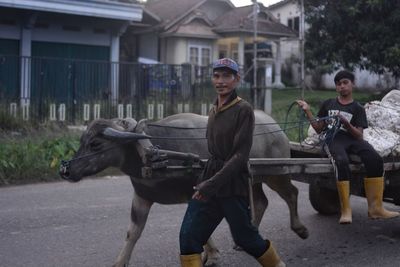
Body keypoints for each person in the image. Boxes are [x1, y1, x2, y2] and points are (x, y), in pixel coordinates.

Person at [179, 58, 285, 267]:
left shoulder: (243, 110)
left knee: (245, 238)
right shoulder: (214, 108)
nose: (220, 81)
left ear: (237, 79)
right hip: (211, 176)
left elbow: (239, 157)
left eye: (226, 76)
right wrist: (207, 180)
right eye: (216, 76)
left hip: (233, 184)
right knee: (188, 235)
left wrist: (210, 184)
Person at [296, 70, 399, 224]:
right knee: (341, 160)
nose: (342, 86)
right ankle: (345, 209)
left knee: (375, 159)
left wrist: (346, 123)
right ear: (336, 88)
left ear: (352, 85)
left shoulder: (357, 108)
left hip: (353, 139)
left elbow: (359, 135)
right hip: (334, 138)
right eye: (339, 84)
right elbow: (318, 128)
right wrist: (307, 110)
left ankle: (375, 208)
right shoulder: (329, 104)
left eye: (345, 83)